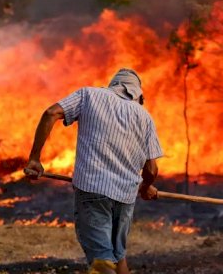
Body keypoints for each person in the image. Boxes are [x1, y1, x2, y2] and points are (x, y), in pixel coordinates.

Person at [25, 68, 163, 274]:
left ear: (113, 85)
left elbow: (51, 113)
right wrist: (146, 186)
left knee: (102, 260)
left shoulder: (89, 95)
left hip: (93, 190)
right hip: (125, 196)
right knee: (118, 257)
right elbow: (151, 168)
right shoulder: (145, 117)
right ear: (138, 94)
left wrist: (35, 158)